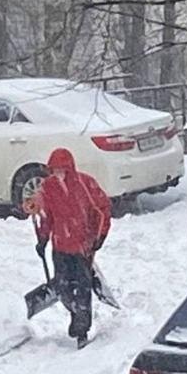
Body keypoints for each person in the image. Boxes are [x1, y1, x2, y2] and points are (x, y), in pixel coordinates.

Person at [26, 147, 112, 348]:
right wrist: (42, 239)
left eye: (61, 169)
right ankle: (75, 312)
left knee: (82, 289)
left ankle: (82, 329)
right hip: (60, 247)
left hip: (83, 247)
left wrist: (99, 237)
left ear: (69, 168)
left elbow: (102, 210)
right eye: (54, 169)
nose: (58, 174)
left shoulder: (84, 183)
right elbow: (47, 217)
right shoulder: (48, 188)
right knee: (63, 287)